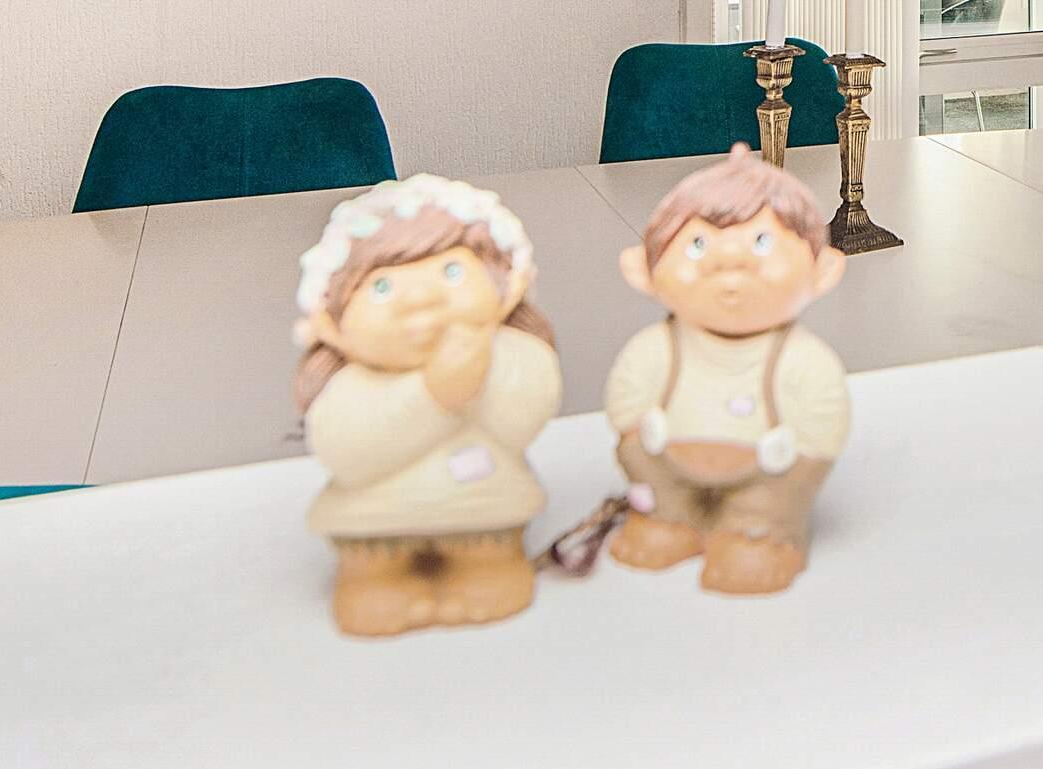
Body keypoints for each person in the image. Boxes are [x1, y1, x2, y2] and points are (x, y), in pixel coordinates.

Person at [292, 175, 562, 637]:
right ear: (332, 324)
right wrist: (431, 395)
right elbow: (345, 455)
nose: (421, 301)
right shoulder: (350, 385)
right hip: (376, 520)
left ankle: (487, 570)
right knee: (374, 572)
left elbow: (524, 422)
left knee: (488, 558)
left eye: (452, 273)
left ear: (509, 287)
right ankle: (377, 582)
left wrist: (482, 374)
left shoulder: (514, 355)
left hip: (486, 507)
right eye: (382, 287)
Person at [605, 145, 850, 595]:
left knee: (763, 512)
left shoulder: (801, 359)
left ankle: (760, 533)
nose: (730, 261)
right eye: (699, 245)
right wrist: (633, 433)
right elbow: (627, 398)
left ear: (822, 271)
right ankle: (670, 518)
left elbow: (823, 418)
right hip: (665, 467)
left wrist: (806, 457)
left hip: (769, 476)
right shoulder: (657, 349)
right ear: (643, 270)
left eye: (761, 242)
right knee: (656, 488)